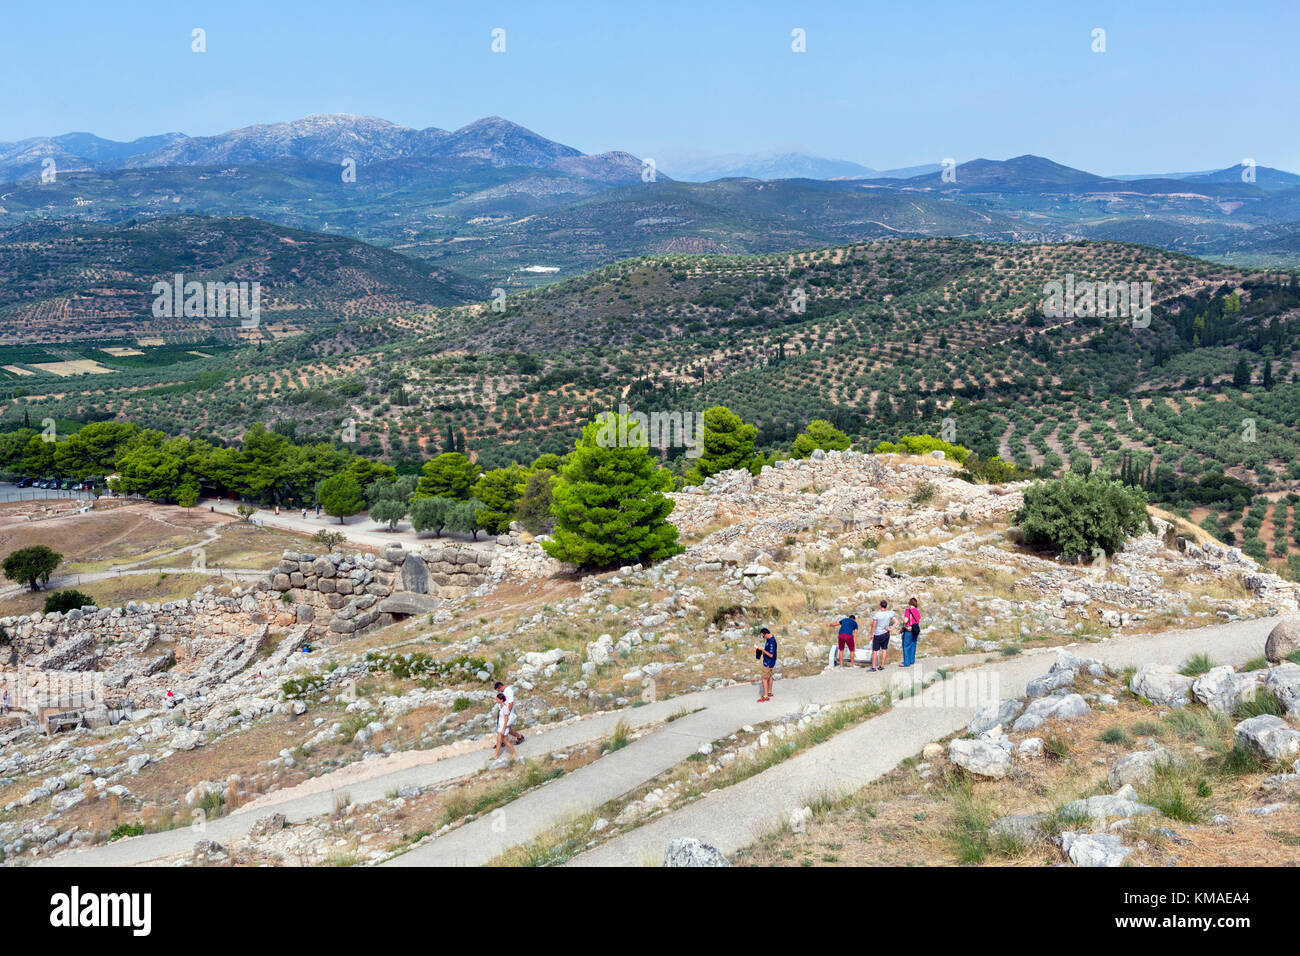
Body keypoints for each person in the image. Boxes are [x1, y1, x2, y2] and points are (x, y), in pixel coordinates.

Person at [493, 680, 525, 745]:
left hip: (507, 712)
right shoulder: (504, 691)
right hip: (502, 711)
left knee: (507, 729)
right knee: (501, 727)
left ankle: (519, 737)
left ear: (500, 687)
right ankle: (501, 742)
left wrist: (507, 713)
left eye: (498, 690)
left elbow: (511, 703)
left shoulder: (508, 691)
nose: (499, 692)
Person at [869, 600, 897, 672]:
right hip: (886, 633)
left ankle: (874, 667)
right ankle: (882, 666)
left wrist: (871, 634)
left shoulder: (877, 614)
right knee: (884, 649)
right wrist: (891, 628)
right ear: (886, 606)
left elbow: (874, 625)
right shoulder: (889, 613)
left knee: (875, 651)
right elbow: (897, 622)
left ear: (880, 605)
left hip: (878, 634)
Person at [491, 692, 519, 762]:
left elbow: (506, 719)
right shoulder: (501, 707)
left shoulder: (505, 708)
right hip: (500, 727)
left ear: (501, 700)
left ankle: (514, 753)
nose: (496, 700)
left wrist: (503, 729)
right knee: (499, 741)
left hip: (504, 727)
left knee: (505, 741)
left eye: (497, 699)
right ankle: (495, 755)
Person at [756, 627, 777, 701]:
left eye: (763, 636)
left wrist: (762, 650)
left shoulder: (772, 642)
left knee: (764, 679)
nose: (763, 637)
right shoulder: (769, 639)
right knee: (770, 677)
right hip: (769, 662)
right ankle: (769, 692)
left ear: (767, 634)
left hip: (768, 663)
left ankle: (765, 696)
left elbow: (771, 655)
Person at [901, 598, 921, 668]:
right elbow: (919, 619)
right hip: (915, 630)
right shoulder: (917, 611)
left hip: (909, 629)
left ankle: (906, 662)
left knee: (906, 646)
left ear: (910, 603)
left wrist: (903, 617)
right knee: (913, 644)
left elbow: (906, 621)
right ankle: (912, 660)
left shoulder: (908, 610)